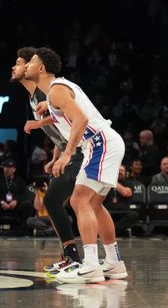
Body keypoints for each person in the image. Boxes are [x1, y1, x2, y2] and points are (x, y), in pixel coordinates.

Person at [25, 47, 127, 283]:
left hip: (98, 143)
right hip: (105, 141)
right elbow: (69, 114)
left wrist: (66, 154)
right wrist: (44, 118)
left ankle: (90, 265)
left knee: (78, 200)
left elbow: (80, 119)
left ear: (41, 68)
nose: (27, 66)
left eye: (30, 62)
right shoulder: (57, 91)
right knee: (94, 205)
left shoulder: (56, 90)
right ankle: (114, 263)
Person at [12, 47, 81, 271]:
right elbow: (60, 131)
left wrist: (37, 123)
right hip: (71, 150)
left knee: (58, 201)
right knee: (76, 203)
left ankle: (76, 257)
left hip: (82, 150)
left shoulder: (46, 92)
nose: (15, 66)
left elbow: (68, 118)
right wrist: (56, 156)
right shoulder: (34, 96)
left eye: (20, 62)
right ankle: (80, 256)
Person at [0, 160, 33, 235]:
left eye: (10, 167)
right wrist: (1, 202)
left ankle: (24, 229)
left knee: (27, 204)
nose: (7, 169)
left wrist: (16, 201)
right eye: (5, 167)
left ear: (14, 169)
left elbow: (25, 194)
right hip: (1, 204)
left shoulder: (19, 181)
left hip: (15, 204)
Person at [104, 165, 141, 236]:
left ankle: (112, 231)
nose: (120, 172)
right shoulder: (106, 184)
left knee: (134, 214)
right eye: (118, 170)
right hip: (108, 212)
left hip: (123, 212)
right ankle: (117, 231)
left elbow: (126, 193)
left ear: (125, 173)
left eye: (122, 171)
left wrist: (113, 182)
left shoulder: (129, 183)